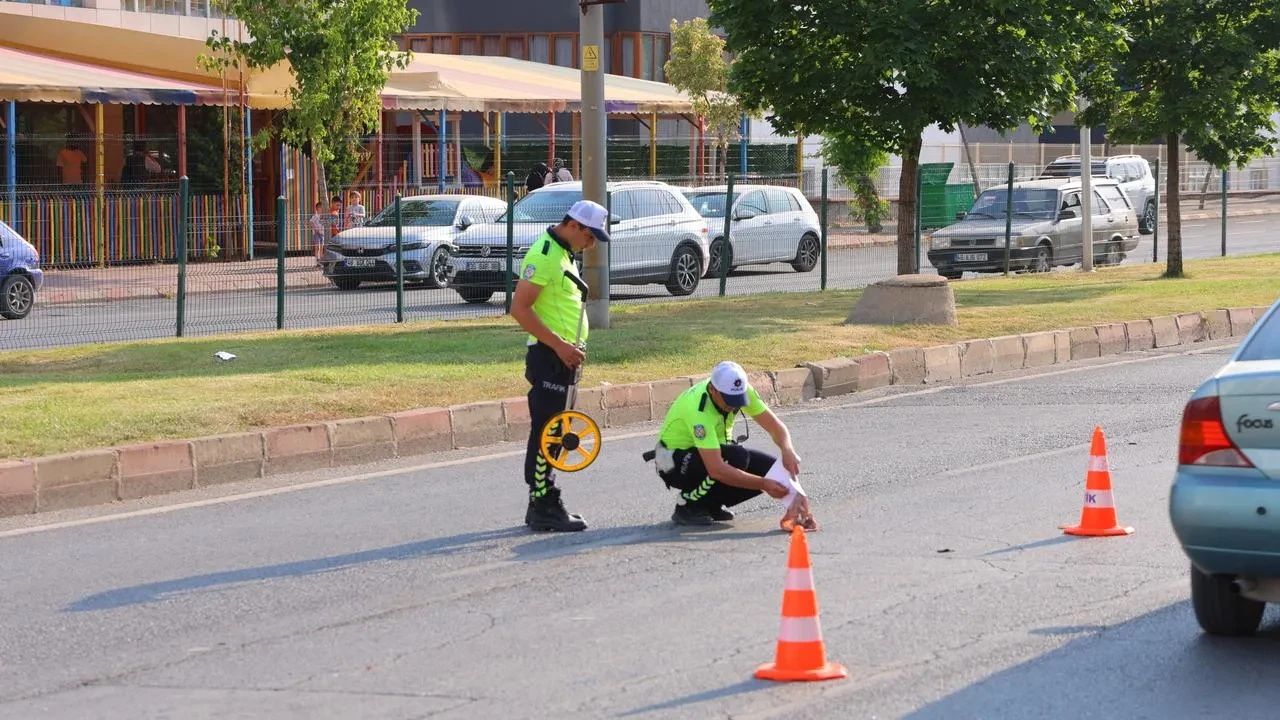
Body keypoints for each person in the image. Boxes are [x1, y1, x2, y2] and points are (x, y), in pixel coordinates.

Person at [510, 199, 611, 532]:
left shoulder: (563, 252)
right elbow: (520, 309)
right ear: (573, 226)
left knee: (556, 430)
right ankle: (544, 504)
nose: (592, 243)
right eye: (590, 235)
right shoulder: (544, 256)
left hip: (563, 358)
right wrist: (560, 346)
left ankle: (539, 503)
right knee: (548, 432)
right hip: (550, 358)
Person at [649, 361, 817, 529]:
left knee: (773, 468)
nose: (733, 406)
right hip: (675, 464)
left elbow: (775, 427)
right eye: (729, 400)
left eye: (738, 400)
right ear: (713, 390)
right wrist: (764, 484)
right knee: (738, 459)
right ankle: (689, 505)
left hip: (710, 455)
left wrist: (788, 452)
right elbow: (716, 468)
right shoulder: (698, 409)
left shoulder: (741, 390)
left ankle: (711, 504)